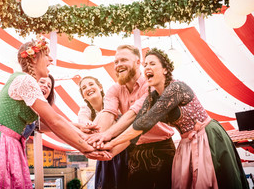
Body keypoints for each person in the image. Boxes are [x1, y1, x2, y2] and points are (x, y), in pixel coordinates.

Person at [0, 37, 99, 189]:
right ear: (34, 58)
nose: (51, 60)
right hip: (0, 147)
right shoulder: (26, 80)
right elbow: (54, 121)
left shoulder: (22, 81)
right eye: (47, 55)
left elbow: (45, 124)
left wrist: (79, 129)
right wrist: (86, 149)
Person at [102, 48, 249, 189]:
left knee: (217, 180)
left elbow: (145, 122)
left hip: (208, 137)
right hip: (187, 143)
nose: (147, 67)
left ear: (165, 69)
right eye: (145, 64)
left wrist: (110, 139)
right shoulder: (151, 97)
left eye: (152, 64)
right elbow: (136, 131)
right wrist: (109, 153)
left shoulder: (176, 88)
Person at [86, 45, 175, 188]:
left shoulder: (151, 84)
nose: (118, 65)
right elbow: (108, 113)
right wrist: (96, 141)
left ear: (138, 62)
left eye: (123, 60)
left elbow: (134, 115)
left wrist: (106, 136)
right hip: (134, 149)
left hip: (162, 148)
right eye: (116, 62)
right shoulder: (114, 89)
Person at [77, 76, 125, 189]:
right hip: (105, 155)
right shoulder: (85, 109)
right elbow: (83, 119)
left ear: (100, 87)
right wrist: (88, 124)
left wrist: (92, 127)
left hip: (122, 149)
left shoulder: (111, 101)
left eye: (91, 84)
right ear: (83, 96)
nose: (88, 88)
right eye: (84, 87)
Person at [22, 75, 55, 139]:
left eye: (49, 86)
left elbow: (52, 125)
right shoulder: (22, 102)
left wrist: (76, 126)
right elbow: (54, 122)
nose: (45, 86)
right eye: (42, 82)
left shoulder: (36, 115)